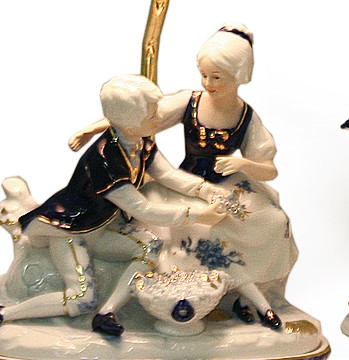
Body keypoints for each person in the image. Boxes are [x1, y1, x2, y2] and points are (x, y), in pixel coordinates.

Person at [68, 24, 298, 329]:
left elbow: (269, 168)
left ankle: (246, 294)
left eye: (217, 77)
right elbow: (136, 115)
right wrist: (91, 129)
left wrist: (242, 164)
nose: (208, 83)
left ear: (239, 75)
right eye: (204, 75)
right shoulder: (189, 102)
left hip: (226, 184)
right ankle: (197, 288)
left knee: (272, 222)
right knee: (196, 229)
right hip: (186, 181)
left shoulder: (246, 117)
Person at [0, 75, 227, 336]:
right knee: (81, 299)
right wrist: (198, 215)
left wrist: (205, 189)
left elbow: (167, 175)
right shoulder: (106, 159)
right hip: (72, 229)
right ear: (129, 121)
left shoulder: (141, 142)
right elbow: (143, 209)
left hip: (103, 227)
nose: (159, 118)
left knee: (151, 246)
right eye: (152, 114)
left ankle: (107, 313)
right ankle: (6, 313)